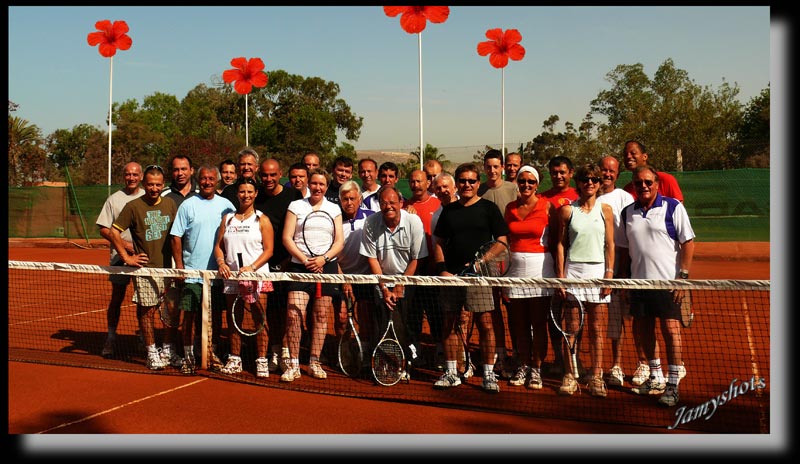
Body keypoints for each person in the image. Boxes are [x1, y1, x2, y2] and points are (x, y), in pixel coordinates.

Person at [616, 165, 695, 407]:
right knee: (645, 331)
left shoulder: (673, 207)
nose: (644, 186)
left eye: (648, 182)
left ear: (657, 184)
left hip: (668, 284)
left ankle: (672, 383)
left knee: (671, 331)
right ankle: (656, 375)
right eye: (639, 183)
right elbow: (623, 249)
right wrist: (623, 280)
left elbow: (688, 242)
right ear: (634, 185)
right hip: (639, 284)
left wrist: (682, 276)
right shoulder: (628, 212)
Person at [432, 162, 510, 393]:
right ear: (458, 183)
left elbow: (502, 241)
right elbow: (438, 243)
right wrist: (443, 269)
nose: (467, 185)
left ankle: (488, 374)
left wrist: (481, 262)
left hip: (481, 276)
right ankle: (451, 372)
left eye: (472, 181)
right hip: (452, 277)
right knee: (449, 324)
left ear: (478, 183)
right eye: (463, 181)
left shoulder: (489, 208)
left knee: (486, 324)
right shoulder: (449, 211)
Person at [554, 163, 615, 397]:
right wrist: (561, 277)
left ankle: (596, 376)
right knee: (571, 328)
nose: (590, 183)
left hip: (598, 274)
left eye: (595, 179)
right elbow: (560, 244)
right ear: (578, 183)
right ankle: (570, 375)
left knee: (597, 329)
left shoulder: (606, 210)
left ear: (600, 184)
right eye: (585, 179)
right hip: (574, 274)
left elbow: (610, 245)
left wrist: (609, 275)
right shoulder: (568, 211)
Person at [108, 164, 177, 370]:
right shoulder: (133, 206)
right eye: (150, 185)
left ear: (163, 185)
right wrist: (127, 258)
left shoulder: (171, 204)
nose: (153, 188)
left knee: (170, 312)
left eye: (157, 185)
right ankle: (151, 351)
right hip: (145, 270)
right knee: (146, 312)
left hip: (169, 269)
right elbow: (113, 232)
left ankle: (167, 349)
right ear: (144, 184)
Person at [169, 165, 235, 375]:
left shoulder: (227, 206)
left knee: (215, 318)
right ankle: (189, 356)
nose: (207, 182)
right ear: (198, 180)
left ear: (217, 180)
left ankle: (211, 353)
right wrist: (180, 268)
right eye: (203, 179)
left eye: (211, 178)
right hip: (192, 275)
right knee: (189, 317)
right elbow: (176, 237)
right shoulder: (188, 205)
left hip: (218, 276)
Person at [281, 168, 345, 382]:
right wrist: (304, 259)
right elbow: (287, 238)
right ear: (309, 184)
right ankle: (293, 364)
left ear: (326, 187)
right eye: (314, 183)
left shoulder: (334, 208)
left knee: (320, 316)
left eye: (322, 184)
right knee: (293, 316)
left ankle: (314, 361)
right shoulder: (295, 206)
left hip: (325, 268)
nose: (318, 187)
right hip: (300, 268)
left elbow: (339, 242)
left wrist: (323, 259)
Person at [361, 185, 428, 377]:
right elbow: (372, 258)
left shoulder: (413, 221)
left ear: (401, 203)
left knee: (405, 323)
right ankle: (383, 363)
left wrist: (400, 285)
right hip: (381, 278)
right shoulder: (371, 223)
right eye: (384, 203)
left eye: (392, 202)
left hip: (408, 279)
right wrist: (384, 287)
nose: (388, 206)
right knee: (381, 323)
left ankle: (407, 362)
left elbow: (417, 258)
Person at [213, 177, 275, 377]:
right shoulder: (228, 219)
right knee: (234, 318)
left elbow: (269, 250)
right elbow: (218, 247)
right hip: (232, 277)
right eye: (242, 192)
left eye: (250, 191)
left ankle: (262, 360)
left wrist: (252, 267)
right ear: (237, 194)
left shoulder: (262, 219)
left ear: (256, 193)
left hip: (258, 277)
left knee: (260, 319)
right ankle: (235, 358)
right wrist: (222, 263)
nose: (246, 195)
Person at [502, 165, 555, 390]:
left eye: (530, 182)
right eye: (522, 181)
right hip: (515, 271)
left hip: (541, 269)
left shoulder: (547, 206)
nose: (526, 185)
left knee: (538, 323)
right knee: (519, 323)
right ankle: (523, 364)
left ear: (537, 184)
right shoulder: (510, 208)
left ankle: (536, 368)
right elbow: (505, 241)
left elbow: (557, 239)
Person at [254, 158, 303, 373]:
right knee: (269, 312)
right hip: (264, 266)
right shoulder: (256, 196)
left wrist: (286, 261)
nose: (268, 179)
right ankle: (274, 350)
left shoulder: (293, 196)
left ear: (280, 173)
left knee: (288, 311)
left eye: (273, 175)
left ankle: (285, 351)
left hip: (288, 265)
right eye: (265, 175)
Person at [478, 149, 519, 379]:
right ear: (484, 168)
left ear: (502, 167)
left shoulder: (514, 189)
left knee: (514, 311)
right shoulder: (479, 190)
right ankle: (500, 355)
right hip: (488, 261)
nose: (492, 171)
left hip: (511, 261)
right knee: (492, 311)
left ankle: (519, 355)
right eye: (488, 167)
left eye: (496, 166)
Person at [96, 161, 144, 358]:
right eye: (127, 174)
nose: (131, 178)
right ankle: (111, 337)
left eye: (135, 174)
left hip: (143, 259)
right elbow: (104, 228)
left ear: (141, 176)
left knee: (144, 300)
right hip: (119, 259)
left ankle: (143, 338)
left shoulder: (148, 196)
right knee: (117, 298)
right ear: (124, 176)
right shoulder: (113, 199)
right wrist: (126, 246)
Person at [596, 155, 635, 388]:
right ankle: (606, 367)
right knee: (602, 322)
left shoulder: (624, 198)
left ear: (617, 174)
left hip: (619, 268)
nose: (607, 174)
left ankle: (629, 365)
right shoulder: (587, 196)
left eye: (611, 171)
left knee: (626, 319)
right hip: (591, 268)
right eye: (604, 170)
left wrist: (622, 269)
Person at [539, 155, 580, 377]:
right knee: (553, 317)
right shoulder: (542, 199)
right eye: (554, 172)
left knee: (575, 317)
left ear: (571, 173)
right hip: (549, 266)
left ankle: (575, 360)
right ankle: (557, 359)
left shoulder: (579, 196)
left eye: (562, 172)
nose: (558, 176)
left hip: (576, 266)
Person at [160, 154, 199, 367]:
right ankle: (168, 349)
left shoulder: (201, 194)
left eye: (184, 169)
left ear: (191, 170)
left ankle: (197, 349)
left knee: (195, 309)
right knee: (172, 307)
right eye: (176, 169)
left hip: (197, 263)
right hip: (172, 263)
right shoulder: (165, 195)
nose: (180, 173)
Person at [402, 169, 442, 368]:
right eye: (412, 181)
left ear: (428, 183)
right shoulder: (402, 207)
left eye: (419, 181)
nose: (415, 184)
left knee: (437, 314)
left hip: (434, 271)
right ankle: (414, 354)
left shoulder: (438, 204)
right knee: (413, 315)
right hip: (413, 270)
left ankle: (440, 353)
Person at [336, 180, 376, 353]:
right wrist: (344, 279)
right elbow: (331, 255)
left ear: (360, 199)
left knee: (366, 317)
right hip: (340, 275)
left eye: (352, 198)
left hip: (366, 277)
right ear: (340, 200)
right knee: (341, 317)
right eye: (345, 199)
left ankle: (365, 352)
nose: (349, 203)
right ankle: (343, 351)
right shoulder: (334, 220)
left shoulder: (372, 217)